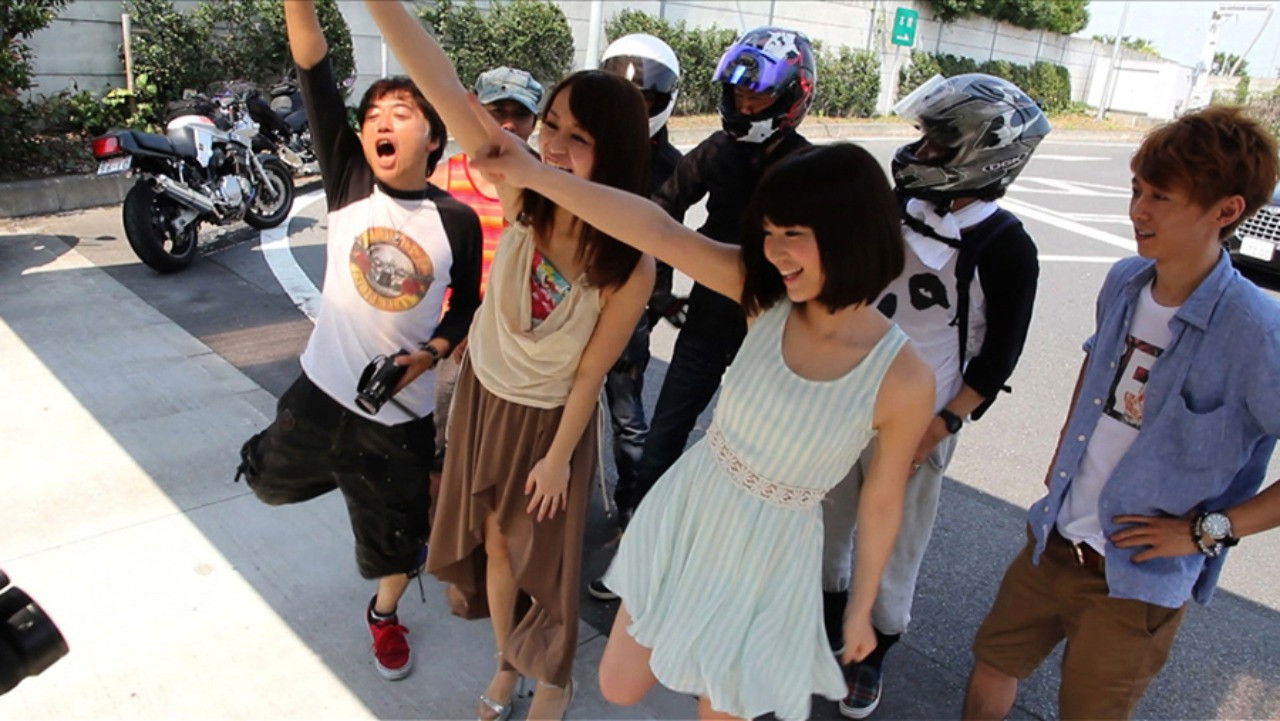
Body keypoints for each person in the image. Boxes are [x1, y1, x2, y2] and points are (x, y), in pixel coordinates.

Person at [474, 129, 936, 719]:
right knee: (619, 684)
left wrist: (861, 608)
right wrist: (536, 175)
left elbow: (883, 499)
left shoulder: (904, 379)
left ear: (851, 233)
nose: (774, 252)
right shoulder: (765, 298)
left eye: (792, 234)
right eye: (768, 233)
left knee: (721, 708)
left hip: (772, 553)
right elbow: (658, 231)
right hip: (692, 509)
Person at [364, 3, 656, 720]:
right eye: (549, 124)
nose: (551, 144)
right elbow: (438, 81)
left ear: (616, 151)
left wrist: (558, 459)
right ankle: (505, 662)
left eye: (577, 137)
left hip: (551, 421)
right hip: (484, 399)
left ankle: (553, 679)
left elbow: (591, 373)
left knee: (545, 569)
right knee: (494, 546)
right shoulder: (523, 188)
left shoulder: (631, 258)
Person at [962, 105, 1280, 721]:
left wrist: (1206, 532)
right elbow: (1095, 365)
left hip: (1139, 577)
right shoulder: (1126, 281)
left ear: (1226, 211)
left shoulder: (1255, 330)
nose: (1138, 210)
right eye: (1137, 189)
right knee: (992, 665)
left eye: (1161, 197)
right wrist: (1063, 453)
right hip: (1056, 536)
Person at [233, 0, 482, 683]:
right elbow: (312, 61)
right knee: (265, 484)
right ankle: (332, 476)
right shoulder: (348, 179)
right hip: (317, 397)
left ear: (435, 139)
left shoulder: (456, 221)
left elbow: (466, 308)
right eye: (373, 115)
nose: (381, 122)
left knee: (396, 546)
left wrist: (427, 357)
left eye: (401, 113)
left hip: (397, 424)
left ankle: (384, 613)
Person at [819, 74, 1049, 719]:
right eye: (924, 138)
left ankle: (872, 651)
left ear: (984, 154)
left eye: (939, 143)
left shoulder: (1005, 247)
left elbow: (998, 356)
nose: (921, 152)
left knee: (894, 541)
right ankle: (827, 621)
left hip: (922, 417)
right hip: (847, 396)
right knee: (827, 522)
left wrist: (943, 423)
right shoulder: (899, 206)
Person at [624, 26, 816, 543]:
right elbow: (661, 209)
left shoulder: (808, 167)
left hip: (772, 326)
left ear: (792, 96)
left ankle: (724, 549)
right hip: (709, 312)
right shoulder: (716, 149)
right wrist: (659, 291)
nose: (745, 105)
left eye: (758, 96)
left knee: (752, 447)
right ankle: (637, 535)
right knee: (666, 431)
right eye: (738, 94)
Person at [588, 32, 685, 602]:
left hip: (632, 306)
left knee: (626, 414)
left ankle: (634, 511)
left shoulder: (671, 165)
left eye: (643, 100)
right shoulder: (587, 146)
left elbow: (666, 241)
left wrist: (660, 299)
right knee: (558, 405)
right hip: (574, 299)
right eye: (621, 97)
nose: (631, 109)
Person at [428, 65, 544, 471]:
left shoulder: (547, 184)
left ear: (534, 122)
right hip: (452, 338)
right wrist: (452, 328)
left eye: (520, 114)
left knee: (501, 449)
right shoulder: (444, 178)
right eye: (497, 112)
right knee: (439, 440)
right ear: (476, 113)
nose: (508, 124)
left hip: (516, 343)